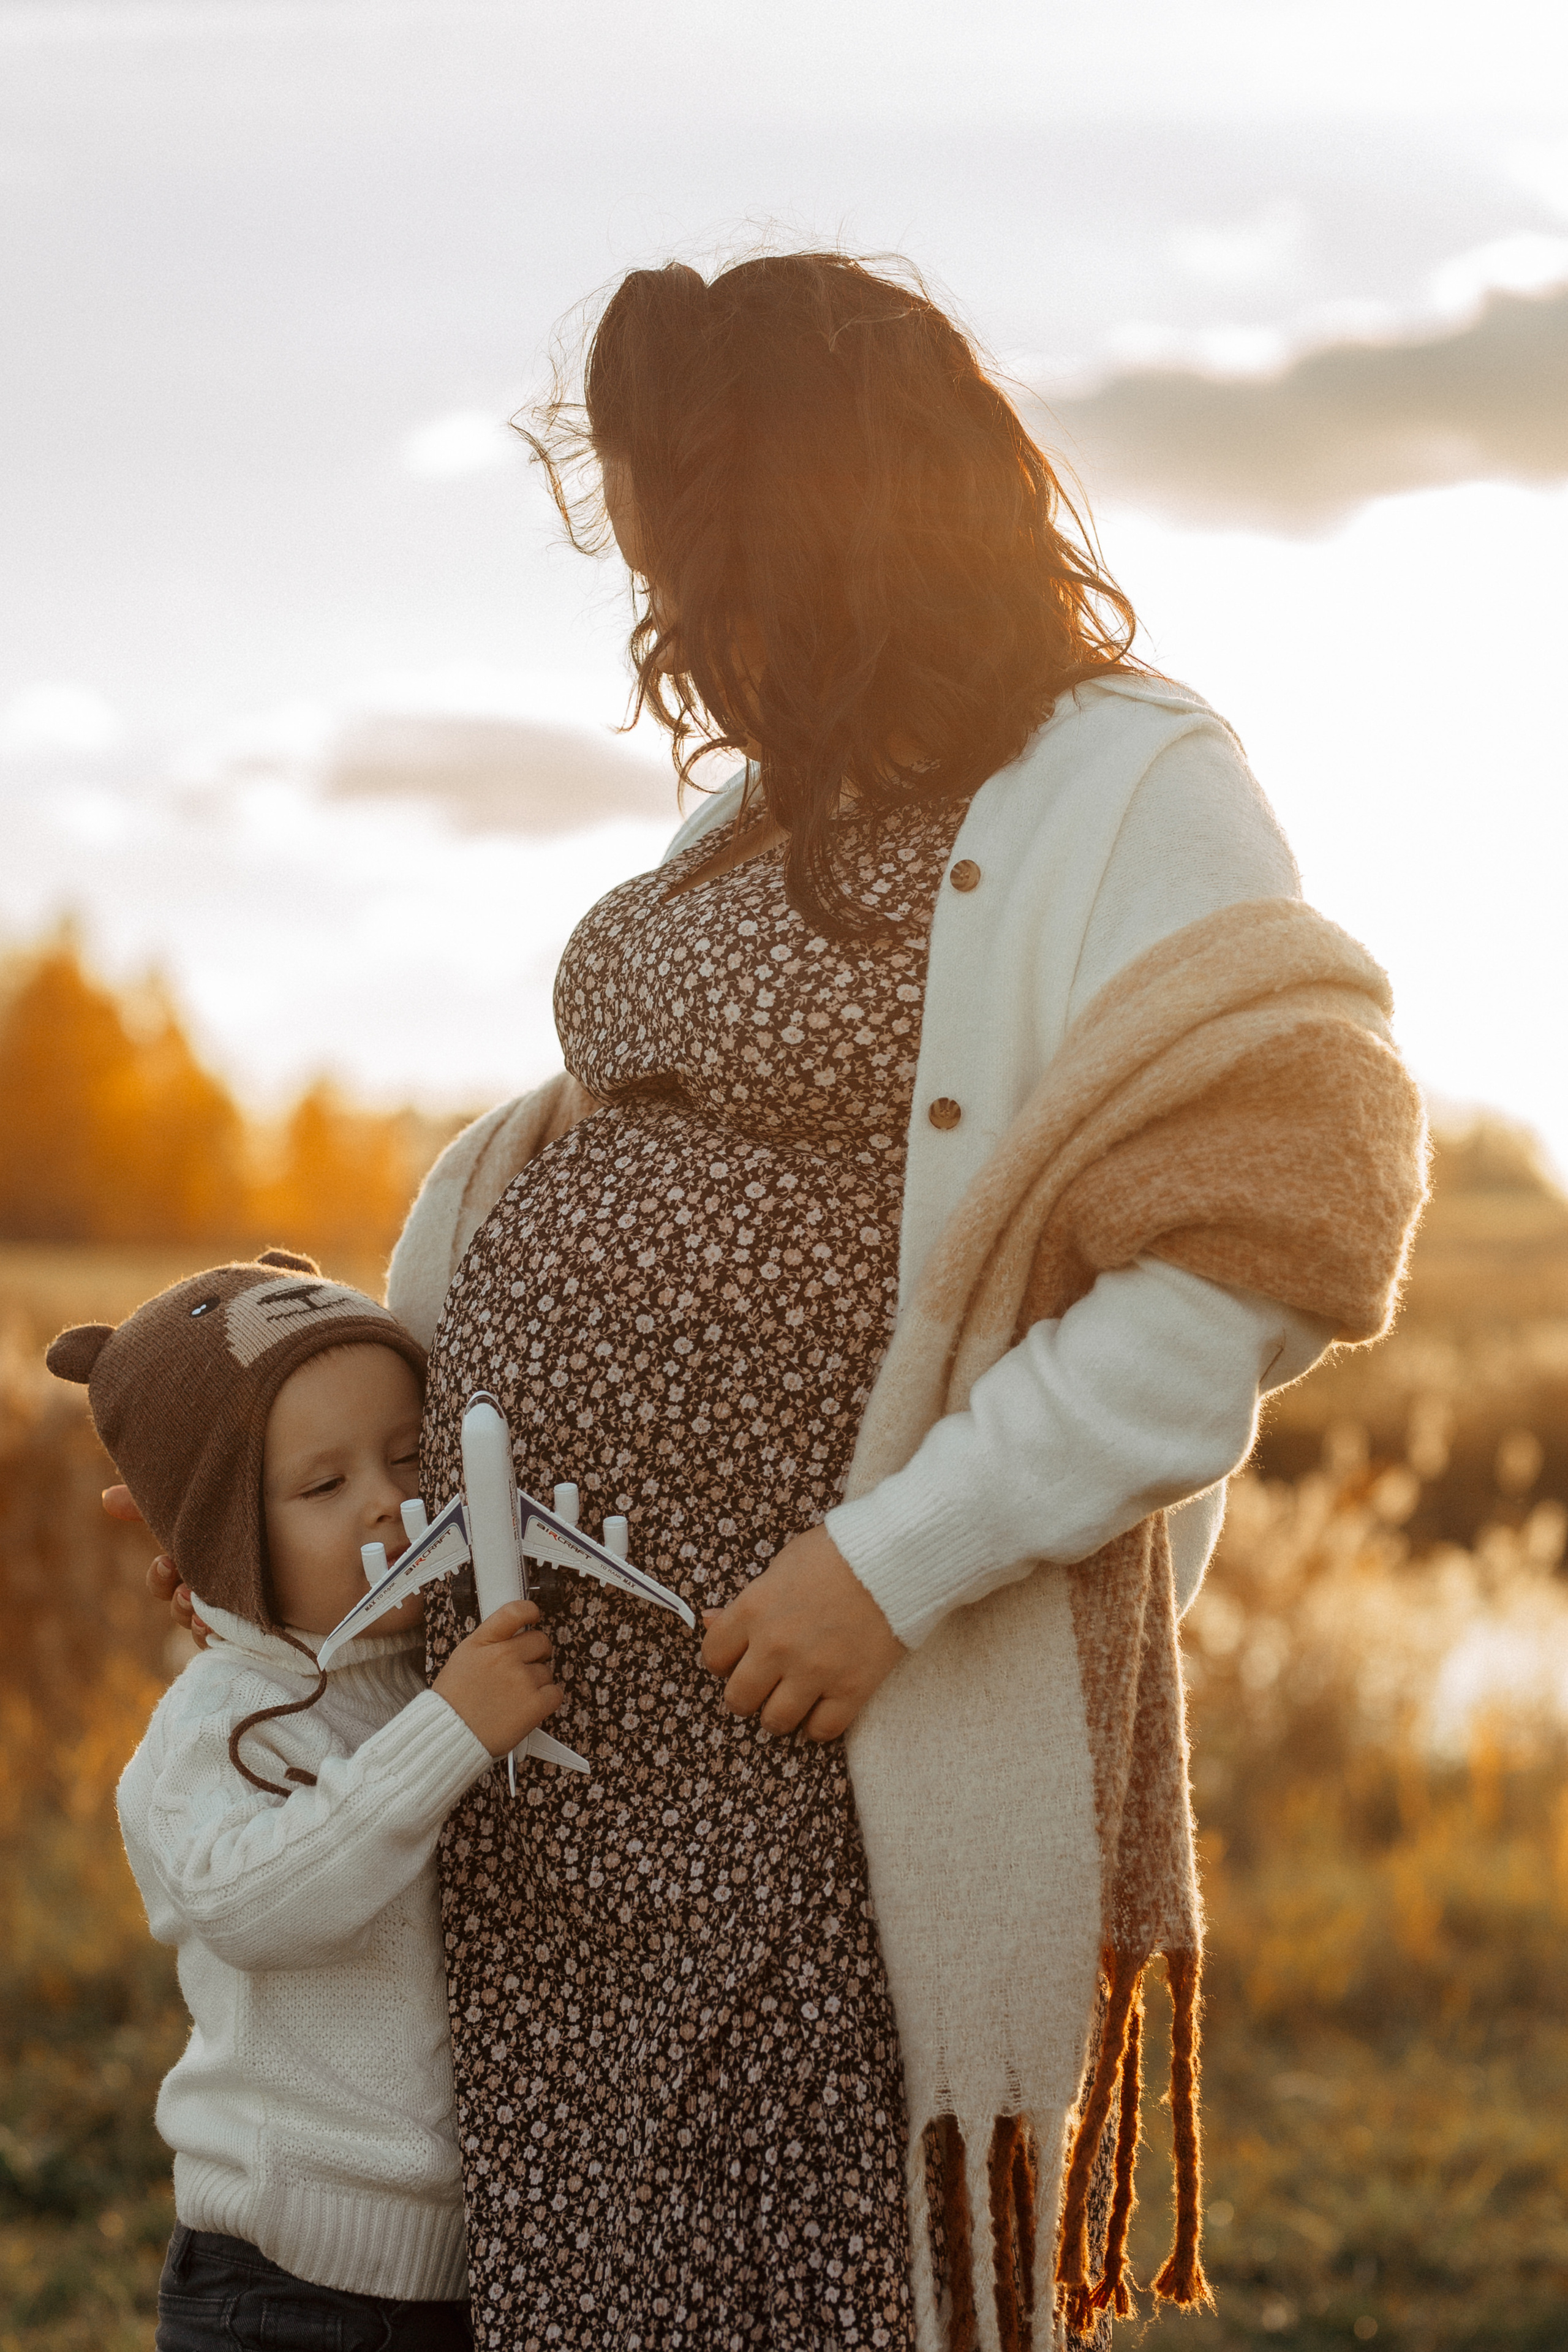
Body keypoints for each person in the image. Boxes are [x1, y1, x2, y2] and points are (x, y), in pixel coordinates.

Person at [145, 254, 1426, 2351]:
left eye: (708, 580)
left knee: (814, 2281)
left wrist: (886, 1569)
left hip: (823, 1756)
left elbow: (1262, 1244)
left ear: (841, 535)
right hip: (563, 1801)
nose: (683, 643)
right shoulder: (762, 803)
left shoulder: (1128, 787)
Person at [54, 1251, 562, 2352]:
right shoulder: (223, 1721)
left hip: (458, 2277)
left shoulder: (428, 1670)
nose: (390, 1500)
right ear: (221, 1537)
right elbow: (252, 1905)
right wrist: (452, 1732)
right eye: (324, 1487)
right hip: (283, 2284)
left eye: (409, 1455)